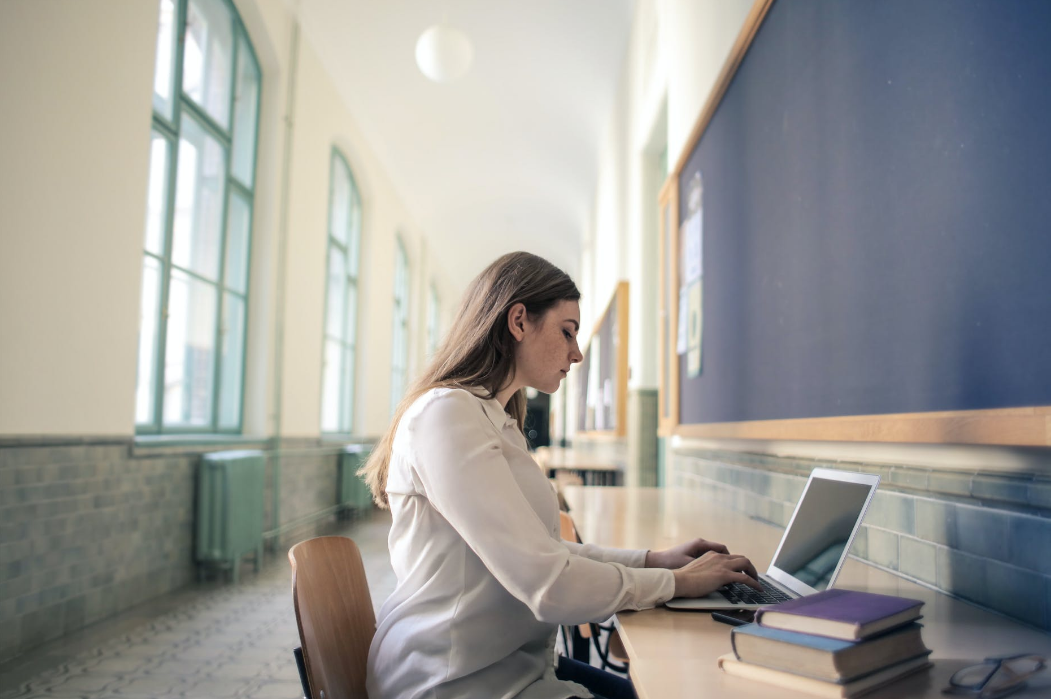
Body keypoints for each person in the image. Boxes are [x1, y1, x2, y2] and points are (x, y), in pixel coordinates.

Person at [360, 252, 760, 699]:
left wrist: (654, 560)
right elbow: (547, 583)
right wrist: (677, 583)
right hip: (450, 682)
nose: (578, 352)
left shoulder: (493, 420)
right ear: (518, 321)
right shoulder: (446, 416)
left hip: (506, 667)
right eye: (566, 331)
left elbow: (542, 551)